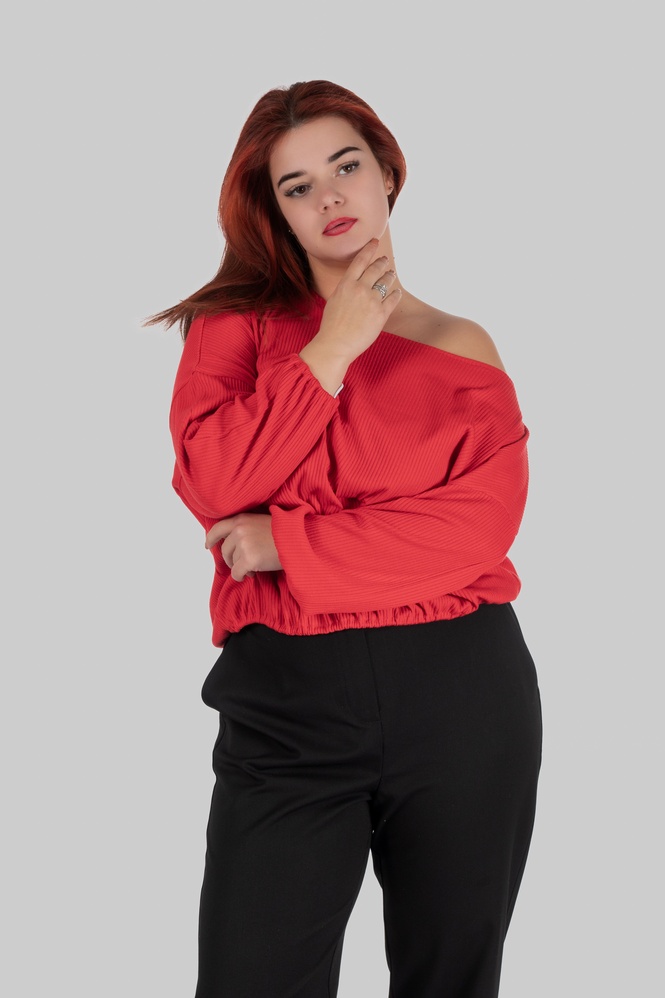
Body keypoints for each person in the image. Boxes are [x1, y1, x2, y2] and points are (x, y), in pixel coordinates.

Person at [147, 79, 542, 998]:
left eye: (345, 166)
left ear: (386, 172)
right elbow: (213, 482)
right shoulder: (235, 329)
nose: (328, 197)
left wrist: (289, 544)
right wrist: (331, 348)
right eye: (297, 186)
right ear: (276, 211)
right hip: (287, 702)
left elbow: (477, 530)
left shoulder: (462, 345)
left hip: (463, 693)